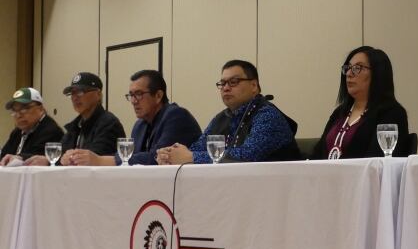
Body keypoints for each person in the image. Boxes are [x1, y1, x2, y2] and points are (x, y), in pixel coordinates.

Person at [156, 60, 300, 164]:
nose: (226, 88)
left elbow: (247, 156)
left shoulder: (267, 115)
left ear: (254, 86)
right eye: (222, 83)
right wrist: (170, 155)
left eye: (233, 82)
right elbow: (197, 148)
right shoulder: (221, 118)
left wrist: (191, 157)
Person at [68, 70, 202, 166]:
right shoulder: (140, 125)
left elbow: (156, 159)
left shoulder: (176, 116)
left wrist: (101, 161)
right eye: (131, 95)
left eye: (139, 94)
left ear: (158, 96)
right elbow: (131, 160)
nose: (133, 101)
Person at [311, 46, 410, 159]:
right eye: (348, 68)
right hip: (326, 175)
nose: (349, 73)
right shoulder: (340, 112)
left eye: (357, 68)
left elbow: (378, 161)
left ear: (378, 73)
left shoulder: (392, 113)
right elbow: (317, 155)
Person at [59, 72, 126, 166]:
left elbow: (94, 157)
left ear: (98, 94)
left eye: (80, 92)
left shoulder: (109, 123)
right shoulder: (76, 125)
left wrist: (68, 157)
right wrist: (48, 159)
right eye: (72, 93)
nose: (75, 98)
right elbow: (59, 154)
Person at [0, 88, 64, 166]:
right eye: (14, 111)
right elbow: (4, 156)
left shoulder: (50, 131)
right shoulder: (17, 132)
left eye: (24, 109)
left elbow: (33, 158)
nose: (18, 115)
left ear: (40, 109)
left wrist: (17, 158)